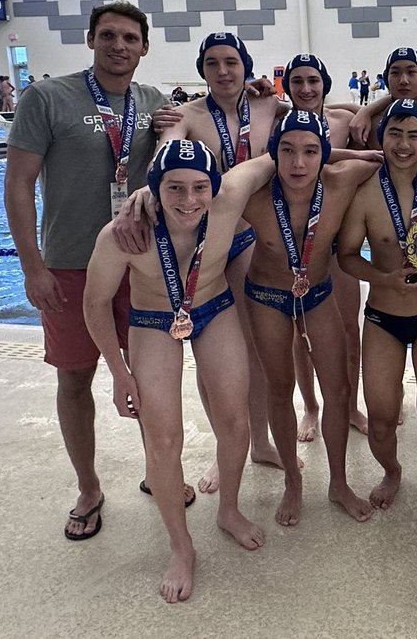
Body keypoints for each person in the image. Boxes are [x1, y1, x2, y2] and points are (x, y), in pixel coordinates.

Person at [4, 0, 170, 541]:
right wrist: (32, 266)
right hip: (72, 264)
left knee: (151, 377)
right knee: (75, 378)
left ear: (144, 46)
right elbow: (18, 184)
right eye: (108, 35)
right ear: (92, 39)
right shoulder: (47, 97)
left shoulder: (155, 104)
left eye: (129, 37)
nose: (119, 45)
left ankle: (158, 471)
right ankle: (88, 487)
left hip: (141, 265)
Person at [84, 140, 273, 603]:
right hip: (151, 320)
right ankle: (181, 545)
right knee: (163, 438)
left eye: (197, 188)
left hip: (213, 306)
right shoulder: (122, 235)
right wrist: (119, 373)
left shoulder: (229, 196)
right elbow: (94, 304)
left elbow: (279, 154)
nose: (188, 200)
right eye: (174, 188)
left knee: (234, 421)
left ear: (214, 186)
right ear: (154, 188)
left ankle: (228, 510)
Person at [155, 31, 286, 492]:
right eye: (213, 63)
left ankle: (259, 442)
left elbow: (314, 129)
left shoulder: (271, 107)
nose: (224, 72)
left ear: (246, 66)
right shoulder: (187, 116)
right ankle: (223, 449)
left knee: (255, 351)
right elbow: (165, 155)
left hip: (252, 238)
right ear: (202, 70)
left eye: (232, 62)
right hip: (205, 244)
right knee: (213, 358)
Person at [240, 110, 380, 526]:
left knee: (338, 391)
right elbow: (192, 192)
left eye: (310, 151)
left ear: (326, 154)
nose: (298, 164)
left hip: (318, 293)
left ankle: (338, 482)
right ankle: (294, 483)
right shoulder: (253, 194)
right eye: (287, 151)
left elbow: (398, 157)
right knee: (279, 389)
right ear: (272, 153)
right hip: (267, 296)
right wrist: (146, 196)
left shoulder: (343, 180)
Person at [338, 99, 417, 510]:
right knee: (381, 418)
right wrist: (384, 277)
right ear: (381, 137)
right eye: (394, 134)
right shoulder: (365, 190)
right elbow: (348, 255)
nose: (403, 144)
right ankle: (392, 471)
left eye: (413, 135)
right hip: (383, 317)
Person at [282, 54, 369, 436]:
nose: (305, 88)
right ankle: (311, 407)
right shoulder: (275, 118)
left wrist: (373, 105)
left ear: (325, 82)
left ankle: (350, 406)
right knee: (300, 333)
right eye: (297, 81)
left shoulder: (344, 120)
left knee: (350, 328)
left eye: (313, 80)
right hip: (294, 244)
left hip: (334, 240)